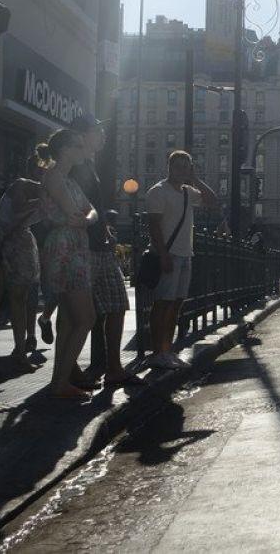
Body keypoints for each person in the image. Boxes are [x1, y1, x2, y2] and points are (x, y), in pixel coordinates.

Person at [69, 114, 143, 388]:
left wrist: (105, 229)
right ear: (82, 134)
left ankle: (113, 367)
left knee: (117, 305)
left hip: (100, 245)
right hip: (84, 247)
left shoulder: (89, 164)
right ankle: (70, 368)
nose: (103, 135)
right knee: (79, 314)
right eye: (97, 131)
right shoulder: (75, 165)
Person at [37, 131, 99, 400]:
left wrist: (86, 219)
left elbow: (90, 211)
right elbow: (76, 213)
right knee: (86, 318)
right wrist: (85, 218)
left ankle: (59, 382)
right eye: (78, 145)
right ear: (64, 149)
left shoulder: (68, 180)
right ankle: (61, 382)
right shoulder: (54, 177)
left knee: (70, 319)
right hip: (66, 248)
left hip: (74, 245)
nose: (83, 149)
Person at [144, 150, 219, 370]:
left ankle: (168, 350)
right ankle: (157, 352)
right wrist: (164, 254)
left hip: (186, 254)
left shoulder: (188, 192)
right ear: (169, 167)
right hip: (168, 254)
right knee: (162, 304)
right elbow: (154, 225)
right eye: (177, 166)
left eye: (186, 167)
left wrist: (195, 179)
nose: (181, 170)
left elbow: (212, 201)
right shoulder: (158, 191)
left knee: (176, 304)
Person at [0, 151, 45, 371]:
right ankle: (20, 351)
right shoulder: (21, 185)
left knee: (21, 298)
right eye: (43, 170)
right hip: (8, 243)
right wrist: (42, 199)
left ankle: (20, 350)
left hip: (20, 242)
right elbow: (16, 212)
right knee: (15, 298)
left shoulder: (45, 193)